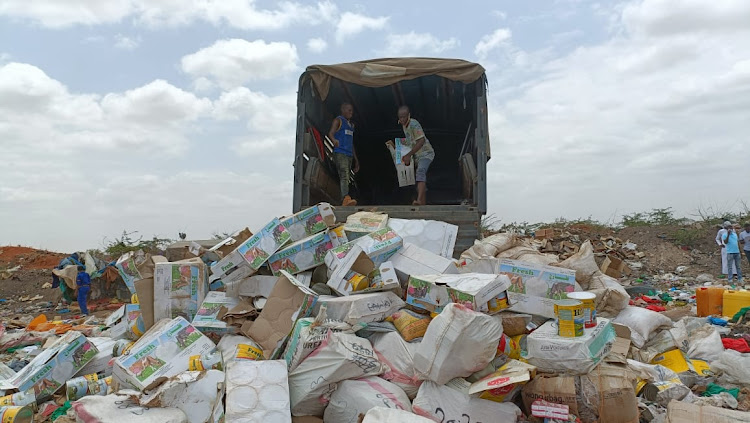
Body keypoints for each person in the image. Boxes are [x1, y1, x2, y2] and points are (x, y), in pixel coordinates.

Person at [386, 105, 435, 205]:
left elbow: (421, 140)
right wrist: (394, 146)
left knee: (420, 172)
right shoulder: (404, 125)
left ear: (409, 115)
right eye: (400, 117)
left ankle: (419, 200)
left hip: (425, 154)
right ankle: (423, 204)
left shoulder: (413, 123)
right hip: (417, 156)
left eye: (404, 116)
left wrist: (408, 155)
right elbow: (409, 142)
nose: (402, 119)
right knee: (417, 178)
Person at [328, 103, 359, 206]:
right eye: (348, 110)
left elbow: (352, 143)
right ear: (342, 110)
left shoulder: (351, 125)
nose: (351, 112)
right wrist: (334, 140)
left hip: (349, 155)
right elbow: (331, 133)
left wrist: (356, 160)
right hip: (340, 153)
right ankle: (345, 199)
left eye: (352, 110)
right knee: (344, 175)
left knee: (347, 176)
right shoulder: (338, 120)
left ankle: (346, 197)